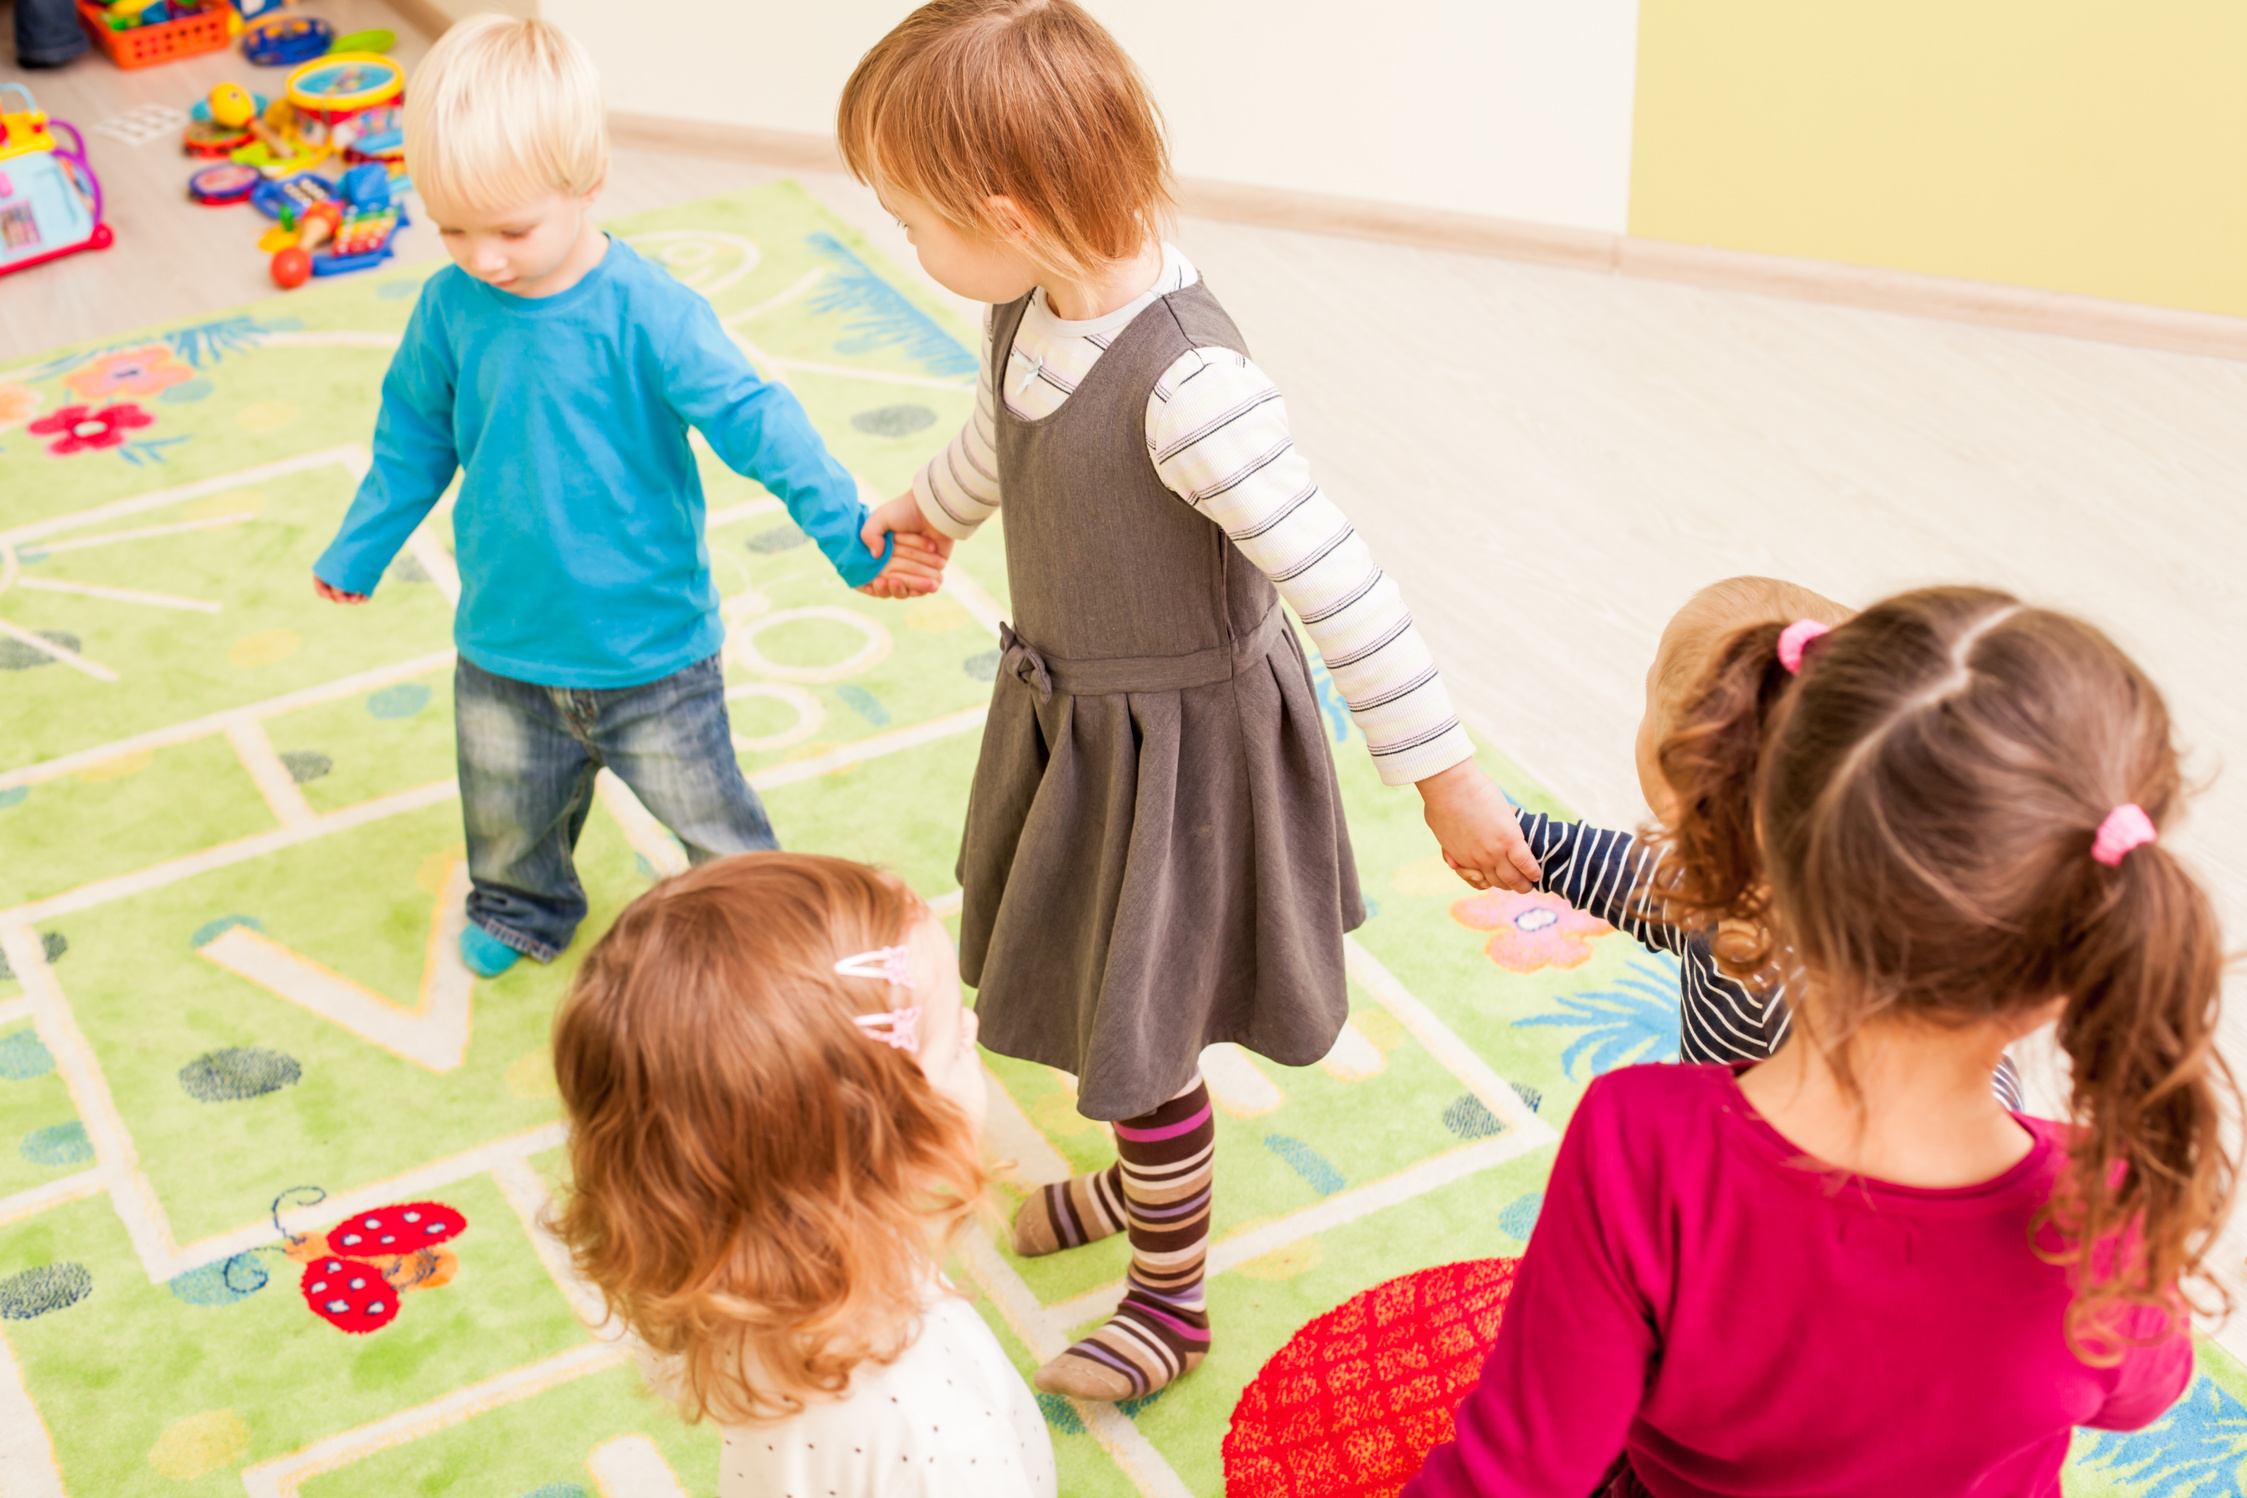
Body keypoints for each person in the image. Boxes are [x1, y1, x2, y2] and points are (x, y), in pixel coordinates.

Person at [836, 0, 1543, 1401]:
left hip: (1180, 760)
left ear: (1008, 208)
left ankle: (1168, 1300)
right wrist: (928, 509)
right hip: (1073, 726)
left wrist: (1443, 772)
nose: (906, 247)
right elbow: (1004, 432)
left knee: (1142, 1027)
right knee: (1108, 987)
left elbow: (1342, 582)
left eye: (910, 219)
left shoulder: (1193, 392)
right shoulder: (1028, 301)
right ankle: (1135, 1186)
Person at [1406, 586, 2238, 1497]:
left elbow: (1514, 1475)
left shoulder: (1639, 1145)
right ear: (2073, 964)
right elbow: (2138, 1399)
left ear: (1745, 855)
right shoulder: (2103, 1203)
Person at [310, 17, 941, 980]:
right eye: (452, 228)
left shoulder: (651, 313)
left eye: (512, 228)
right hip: (504, 646)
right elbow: (411, 441)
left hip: (654, 656)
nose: (481, 256)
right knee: (506, 808)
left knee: (715, 823)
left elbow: (757, 423)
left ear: (589, 183)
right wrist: (360, 548)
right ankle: (522, 907)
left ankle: (763, 937)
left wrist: (848, 534)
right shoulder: (447, 308)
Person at [548, 852, 1056, 1498]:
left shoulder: (726, 1275)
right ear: (872, 1161)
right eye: (951, 1046)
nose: (972, 1026)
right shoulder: (936, 1431)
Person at [1515, 575, 2024, 1105]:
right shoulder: (1740, 876)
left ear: (1679, 784)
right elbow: (1638, 882)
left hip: (1773, 1165)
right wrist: (1524, 840)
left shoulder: (1798, 975)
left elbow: (1947, 1086)